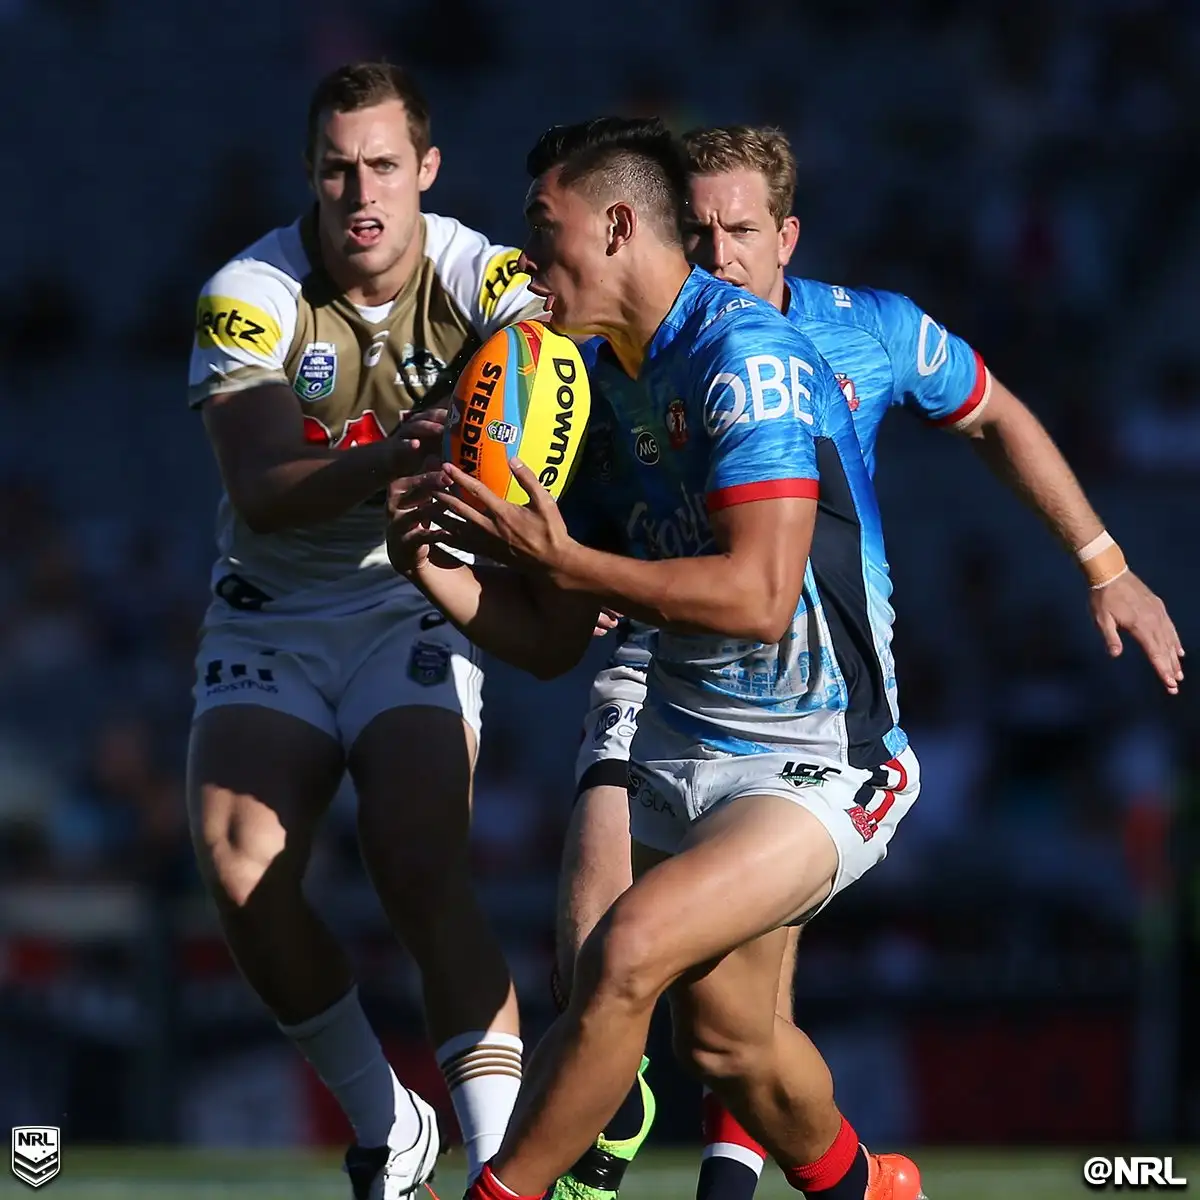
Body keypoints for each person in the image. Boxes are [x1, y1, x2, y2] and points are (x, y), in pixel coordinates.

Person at [553, 125, 1185, 1200]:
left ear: (787, 236)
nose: (715, 256)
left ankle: (716, 1179)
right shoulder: (617, 341)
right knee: (597, 942)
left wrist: (1104, 560)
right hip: (654, 649)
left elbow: (994, 415)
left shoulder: (870, 332)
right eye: (695, 231)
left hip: (798, 693)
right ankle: (620, 1121)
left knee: (715, 1003)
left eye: (740, 232)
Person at [387, 116, 928, 1200]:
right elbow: (547, 643)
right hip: (686, 738)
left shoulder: (748, 356)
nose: (529, 262)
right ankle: (869, 1190)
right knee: (731, 1050)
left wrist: (575, 560)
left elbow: (760, 596)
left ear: (620, 223)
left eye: (546, 232)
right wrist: (436, 571)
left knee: (623, 953)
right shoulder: (587, 384)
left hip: (820, 751)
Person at [185, 61, 546, 1198]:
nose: (360, 193)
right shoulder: (250, 291)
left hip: (410, 593)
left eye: (384, 165)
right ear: (309, 173)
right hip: (276, 609)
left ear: (426, 172)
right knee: (241, 867)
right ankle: (389, 1123)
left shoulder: (485, 274)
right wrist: (403, 449)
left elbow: (560, 365)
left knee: (416, 855)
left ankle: (499, 1165)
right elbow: (261, 485)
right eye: (338, 168)